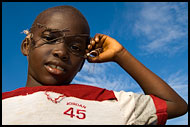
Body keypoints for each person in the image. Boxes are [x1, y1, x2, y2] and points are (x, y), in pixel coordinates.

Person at [2, 5, 188, 125]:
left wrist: (120, 55)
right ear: (27, 45)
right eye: (50, 38)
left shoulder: (106, 102)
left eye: (75, 47)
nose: (61, 52)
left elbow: (176, 105)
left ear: (82, 63)